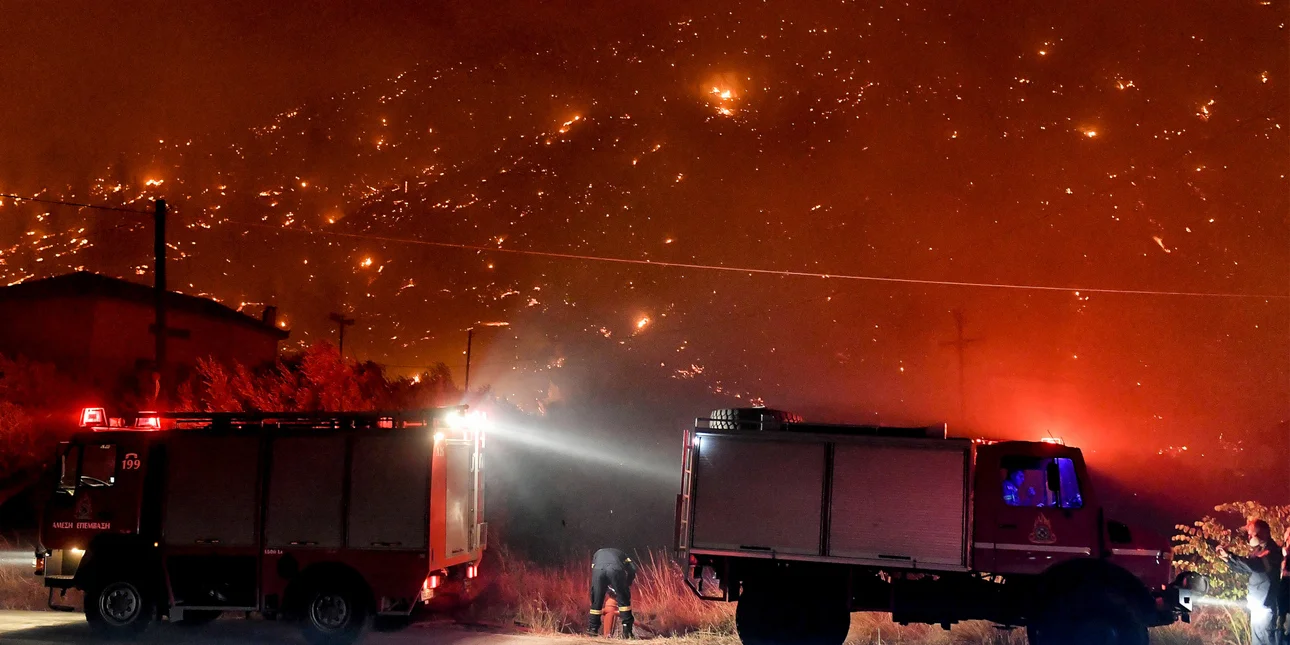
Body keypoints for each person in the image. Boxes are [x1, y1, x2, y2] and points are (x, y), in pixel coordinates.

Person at [1219, 519, 1282, 645]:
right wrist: (1227, 559)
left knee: (1267, 639)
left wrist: (1231, 556)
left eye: (1251, 534)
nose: (1248, 537)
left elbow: (1254, 565)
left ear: (1262, 533)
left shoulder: (1272, 551)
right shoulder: (1259, 550)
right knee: (1258, 641)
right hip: (1258, 604)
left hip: (1266, 604)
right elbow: (1245, 568)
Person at [588, 548, 637, 639]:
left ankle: (592, 630)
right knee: (623, 600)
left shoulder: (597, 553)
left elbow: (597, 570)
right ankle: (627, 632)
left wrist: (606, 588)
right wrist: (627, 584)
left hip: (598, 570)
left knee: (596, 601)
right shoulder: (623, 554)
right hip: (615, 569)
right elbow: (633, 569)